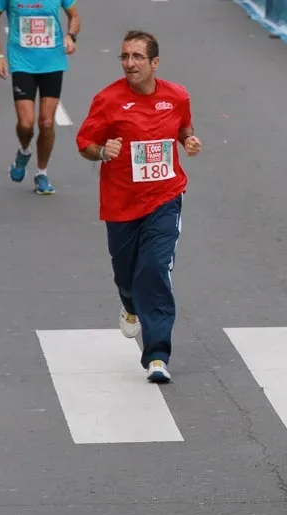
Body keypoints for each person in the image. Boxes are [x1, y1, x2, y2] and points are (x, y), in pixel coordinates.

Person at [75, 30, 202, 383]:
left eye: (137, 57)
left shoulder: (176, 96)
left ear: (154, 63)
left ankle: (158, 354)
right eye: (125, 56)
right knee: (126, 275)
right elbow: (84, 143)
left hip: (165, 197)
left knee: (155, 269)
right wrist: (103, 151)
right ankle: (130, 303)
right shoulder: (108, 100)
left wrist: (188, 140)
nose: (129, 63)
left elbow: (184, 126)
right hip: (121, 204)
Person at [0, 0, 80, 194]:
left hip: (53, 62)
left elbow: (74, 15)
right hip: (21, 63)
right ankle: (24, 151)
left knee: (46, 122)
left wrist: (71, 36)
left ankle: (41, 173)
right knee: (26, 124)